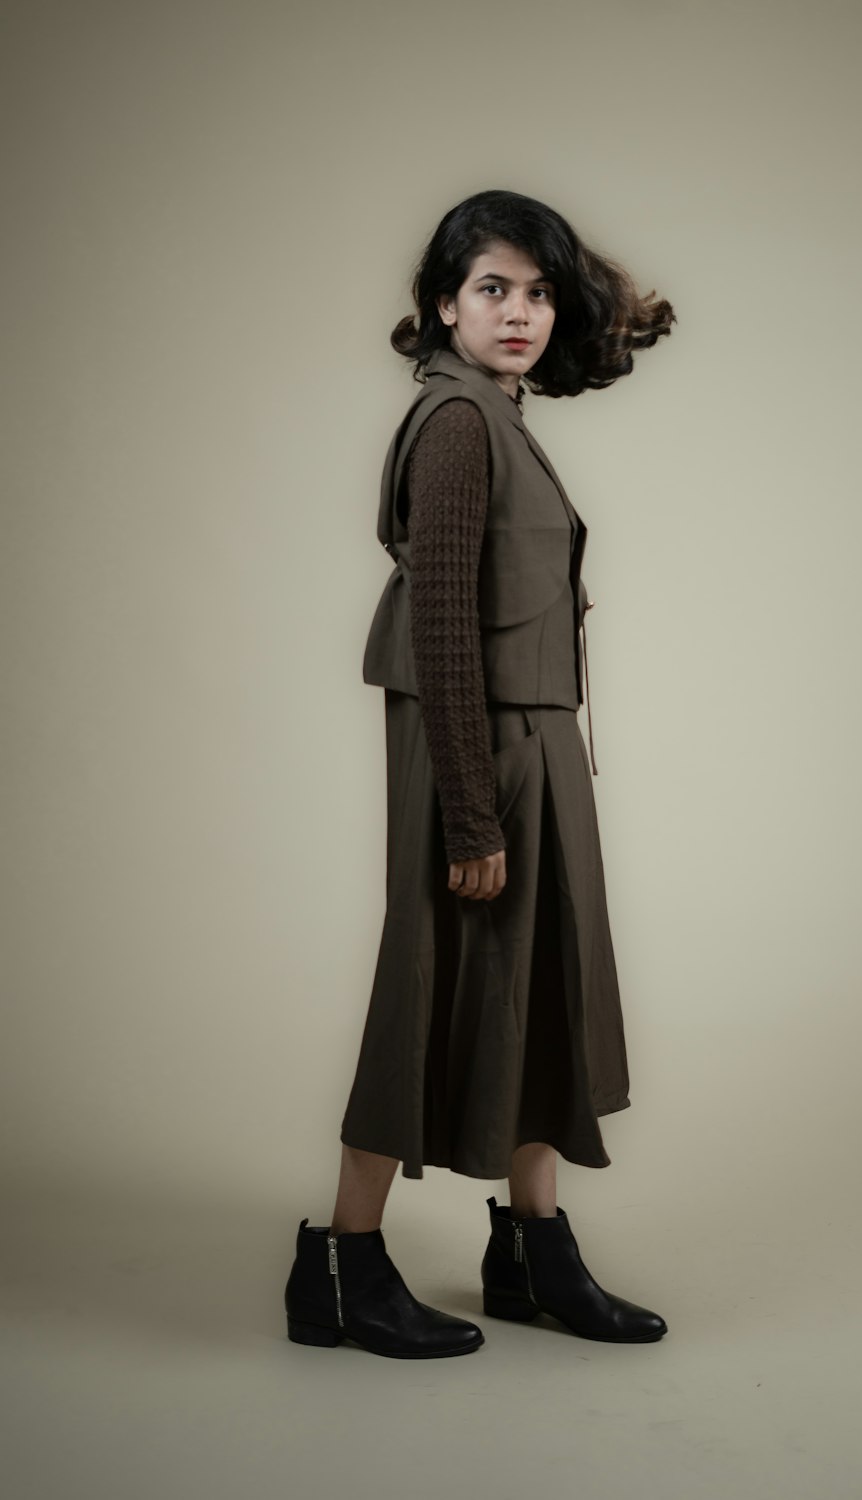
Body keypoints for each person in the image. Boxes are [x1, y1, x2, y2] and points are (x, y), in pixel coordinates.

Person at [284, 189, 677, 1358]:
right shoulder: (457, 425)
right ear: (443, 305)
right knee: (433, 989)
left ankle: (531, 1251)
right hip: (481, 753)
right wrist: (469, 819)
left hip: (530, 748)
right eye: (492, 288)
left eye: (540, 290)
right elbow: (446, 628)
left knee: (540, 984)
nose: (520, 312)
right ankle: (345, 1270)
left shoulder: (498, 415)